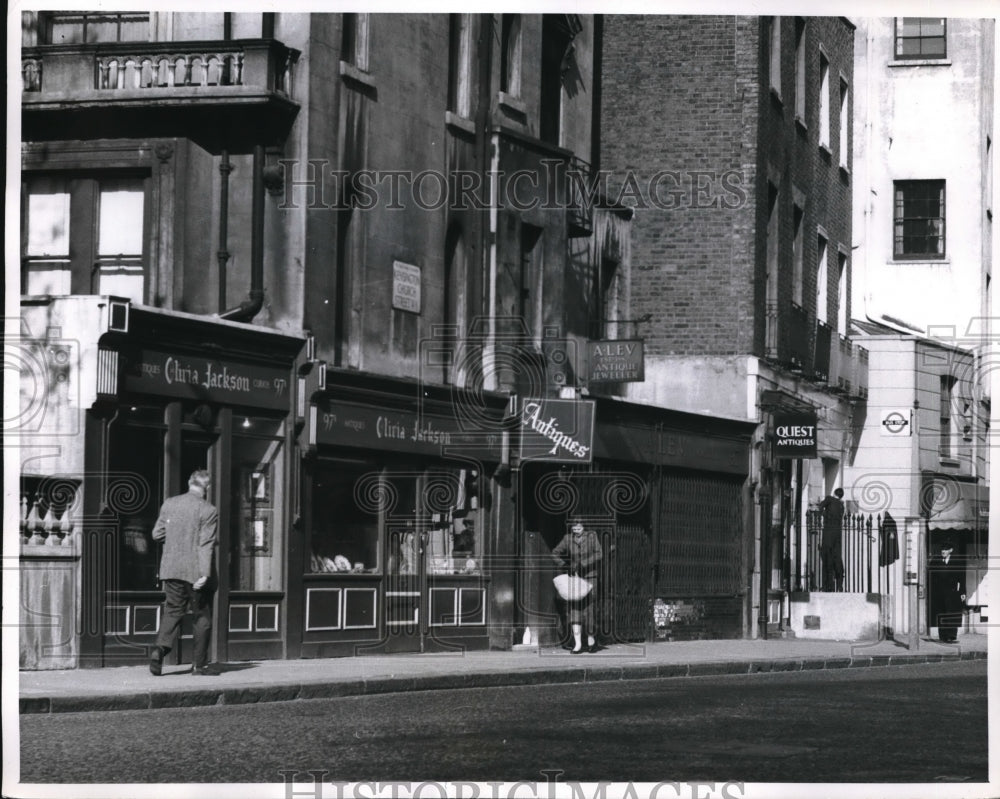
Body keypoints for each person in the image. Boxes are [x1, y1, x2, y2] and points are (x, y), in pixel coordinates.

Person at [149, 469, 219, 676]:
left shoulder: (170, 503)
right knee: (201, 616)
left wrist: (175, 541)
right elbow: (206, 544)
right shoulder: (208, 510)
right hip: (195, 571)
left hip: (170, 568)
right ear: (208, 488)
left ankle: (160, 649)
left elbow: (156, 534)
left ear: (190, 482)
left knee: (172, 610)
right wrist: (204, 574)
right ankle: (199, 665)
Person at [551, 519, 603, 654]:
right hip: (575, 578)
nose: (576, 531)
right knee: (575, 609)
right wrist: (564, 565)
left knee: (590, 608)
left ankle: (591, 641)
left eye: (578, 528)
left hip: (590, 577)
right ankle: (578, 644)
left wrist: (584, 563)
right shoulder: (567, 539)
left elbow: (599, 553)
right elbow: (555, 553)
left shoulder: (592, 536)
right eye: (574, 528)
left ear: (584, 527)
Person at [929, 539, 965, 643]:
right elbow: (931, 577)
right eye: (942, 549)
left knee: (952, 614)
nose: (943, 551)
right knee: (941, 614)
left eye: (945, 549)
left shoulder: (957, 562)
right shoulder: (935, 562)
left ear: (951, 550)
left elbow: (962, 579)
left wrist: (962, 592)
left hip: (953, 593)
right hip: (939, 593)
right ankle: (943, 636)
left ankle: (951, 636)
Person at [818, 488, 845, 592]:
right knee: (837, 558)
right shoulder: (841, 505)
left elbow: (820, 506)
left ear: (834, 493)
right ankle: (839, 585)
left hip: (828, 532)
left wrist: (823, 515)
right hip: (837, 533)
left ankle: (827, 585)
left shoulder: (829, 499)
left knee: (826, 558)